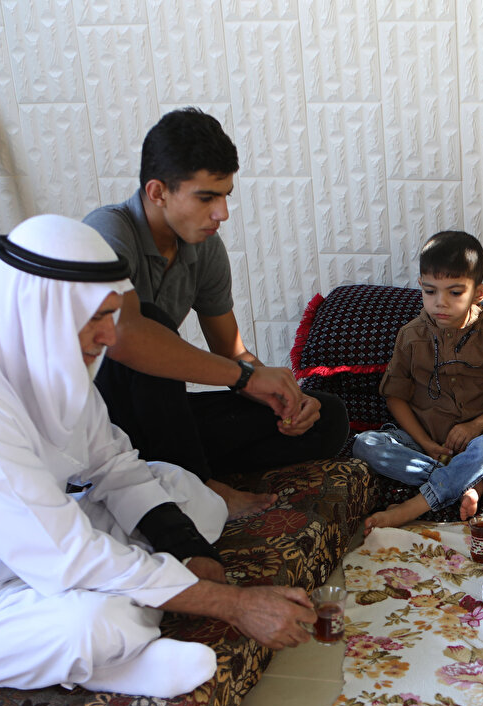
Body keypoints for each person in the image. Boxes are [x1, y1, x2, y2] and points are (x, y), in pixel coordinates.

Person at [0, 215, 317, 700]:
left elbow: (113, 465)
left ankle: (129, 618)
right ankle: (110, 657)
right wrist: (232, 604)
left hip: (37, 540)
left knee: (188, 496)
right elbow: (64, 553)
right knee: (95, 625)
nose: (110, 336)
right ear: (38, 310)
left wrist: (189, 550)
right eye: (94, 318)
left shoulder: (42, 352)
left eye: (111, 315)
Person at [84, 108, 348, 520]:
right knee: (153, 325)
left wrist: (285, 398)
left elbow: (231, 352)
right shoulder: (107, 232)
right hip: (95, 424)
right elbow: (125, 339)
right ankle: (198, 485)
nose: (221, 213)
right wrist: (245, 377)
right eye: (206, 198)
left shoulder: (203, 246)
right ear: (158, 192)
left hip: (157, 423)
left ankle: (171, 468)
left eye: (225, 196)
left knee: (327, 416)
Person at [352, 231, 483, 531]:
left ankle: (412, 507)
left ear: (479, 292)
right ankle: (467, 482)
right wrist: (425, 443)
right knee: (365, 444)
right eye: (430, 291)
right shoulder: (410, 336)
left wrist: (476, 426)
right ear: (420, 285)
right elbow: (395, 396)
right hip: (420, 443)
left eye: (454, 293)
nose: (440, 303)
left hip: (474, 444)